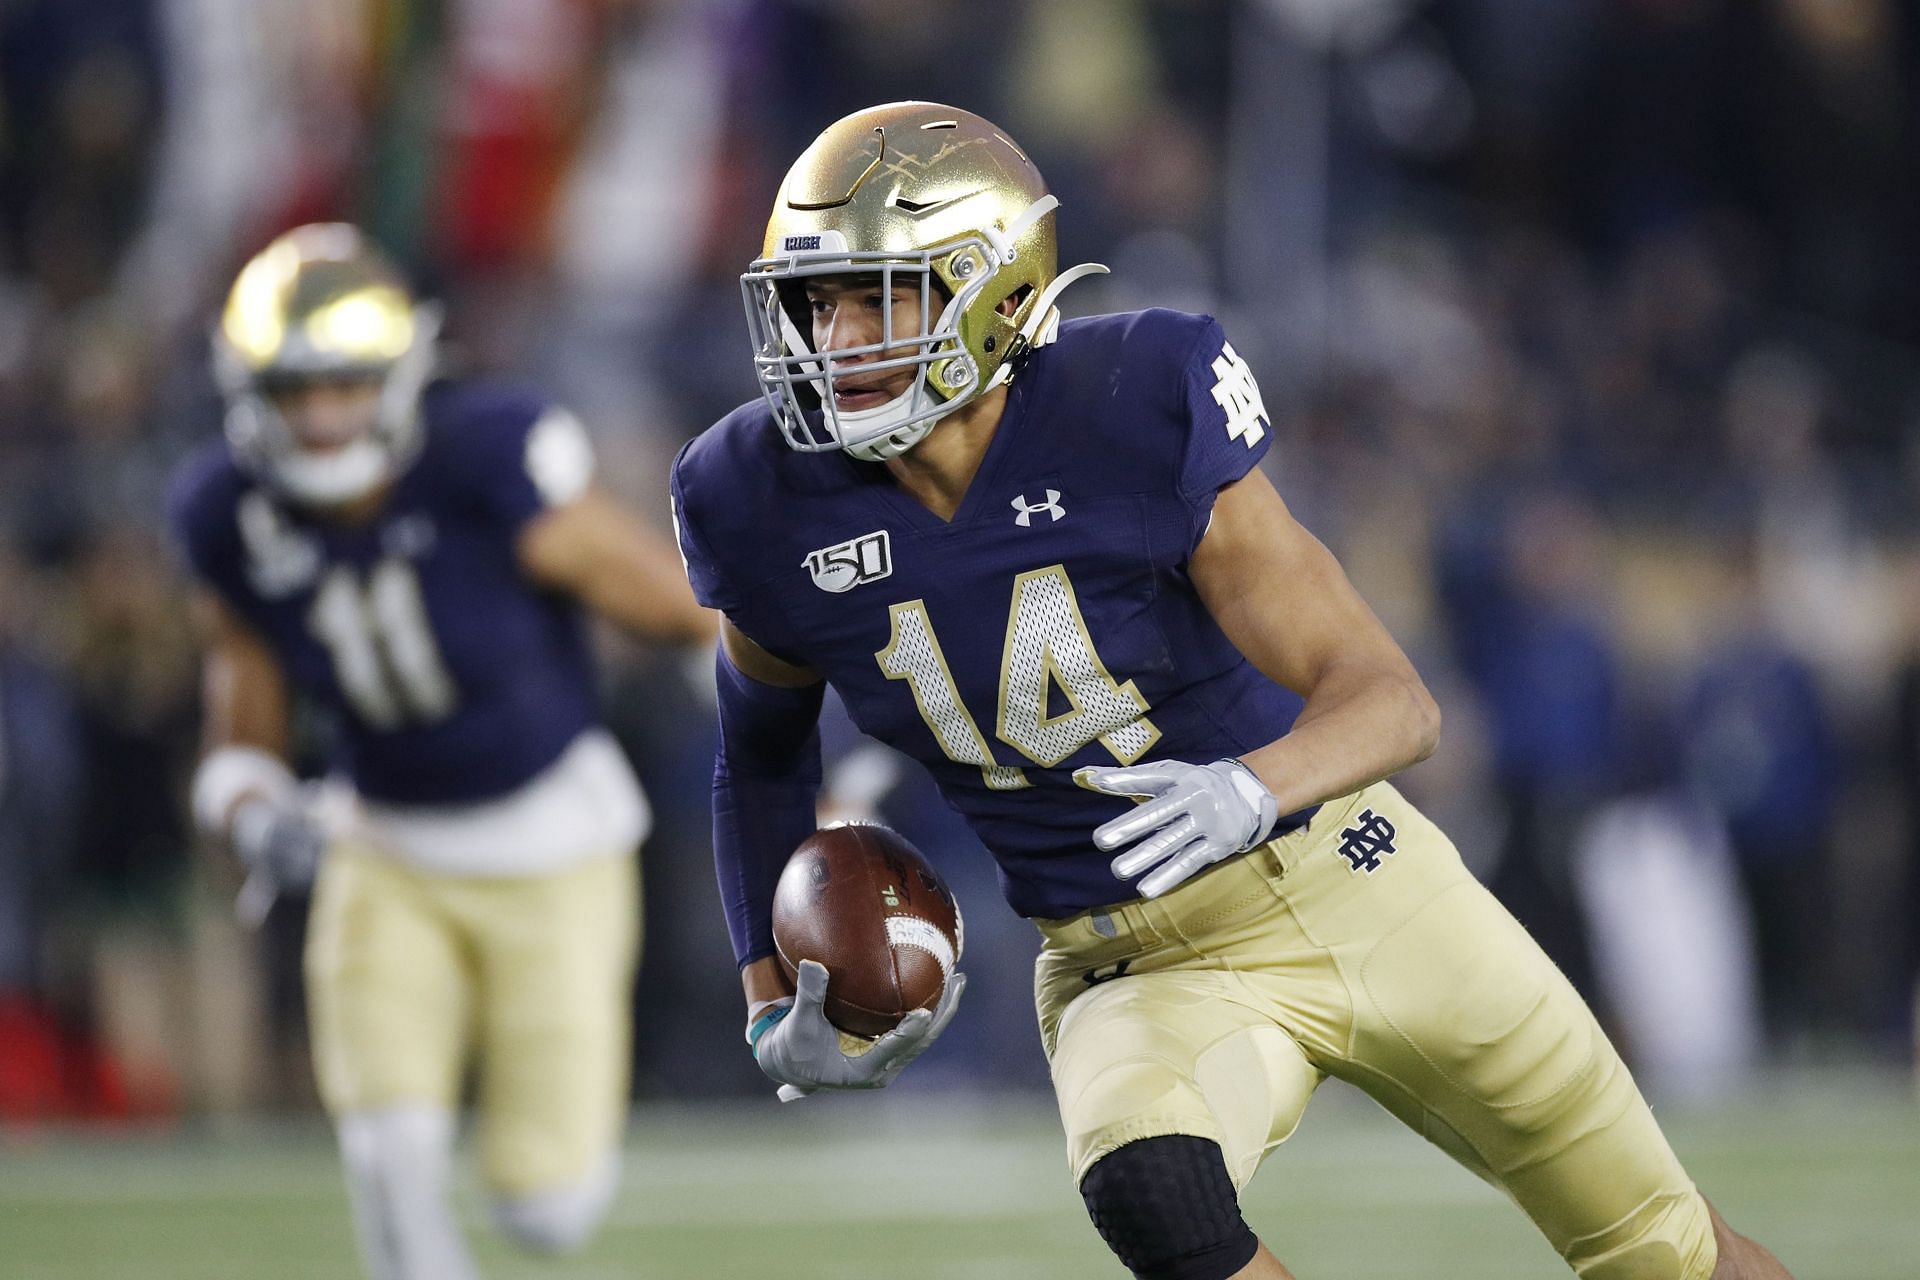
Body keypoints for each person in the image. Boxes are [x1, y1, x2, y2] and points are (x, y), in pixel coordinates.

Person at [670, 103, 1794, 1280]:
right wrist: (767, 993)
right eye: (817, 304)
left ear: (988, 289)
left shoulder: (1130, 399)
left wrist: (1249, 789)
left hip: (1351, 874)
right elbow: (759, 747)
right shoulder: (760, 494)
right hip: (1128, 962)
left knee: (1661, 1250)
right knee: (1151, 1188)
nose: (835, 340)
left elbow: (1390, 696)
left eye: (875, 299)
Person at [169, 224, 711, 1280]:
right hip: (384, 845)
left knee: (547, 1207)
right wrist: (255, 815)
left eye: (346, 385)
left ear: (403, 373)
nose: (323, 418)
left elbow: (683, 610)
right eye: (296, 389)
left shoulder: (481, 458)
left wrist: (796, 739)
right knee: (388, 1151)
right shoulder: (227, 513)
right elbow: (241, 732)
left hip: (552, 845)